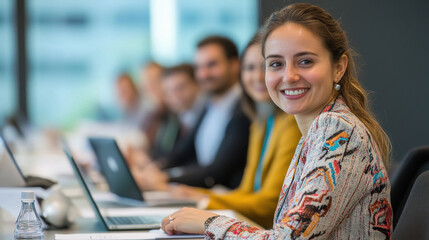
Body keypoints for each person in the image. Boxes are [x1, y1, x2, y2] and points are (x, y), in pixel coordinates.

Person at [161, 3, 393, 239]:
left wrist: (209, 221)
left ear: (338, 68)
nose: (288, 76)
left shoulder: (336, 129)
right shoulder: (314, 131)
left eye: (305, 61)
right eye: (275, 64)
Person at [169, 33, 301, 229]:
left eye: (266, 66)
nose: (257, 76)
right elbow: (247, 191)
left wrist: (204, 202)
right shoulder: (260, 123)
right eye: (249, 67)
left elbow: (269, 204)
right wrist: (195, 195)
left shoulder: (291, 123)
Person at [132, 36, 251, 190]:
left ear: (235, 65)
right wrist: (153, 169)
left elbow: (219, 170)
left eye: (212, 65)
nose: (204, 74)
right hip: (205, 194)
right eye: (199, 67)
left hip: (224, 200)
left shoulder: (245, 108)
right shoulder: (210, 105)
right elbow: (183, 151)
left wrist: (167, 178)